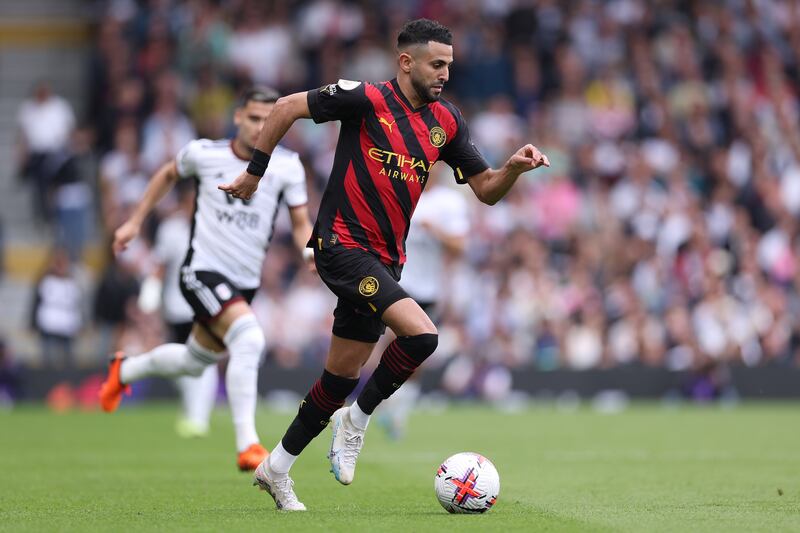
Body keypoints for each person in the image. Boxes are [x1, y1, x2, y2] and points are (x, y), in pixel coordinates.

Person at [221, 19, 549, 511]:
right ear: (406, 62)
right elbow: (287, 106)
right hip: (340, 244)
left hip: (386, 260)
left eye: (449, 66)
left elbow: (485, 190)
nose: (444, 73)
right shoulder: (366, 98)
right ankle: (358, 419)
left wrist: (513, 170)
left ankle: (277, 468)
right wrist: (254, 173)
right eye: (436, 64)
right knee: (423, 335)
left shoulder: (447, 122)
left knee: (338, 379)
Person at [99, 87, 314, 472]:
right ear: (237, 118)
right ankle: (248, 444)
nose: (260, 126)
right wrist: (134, 221)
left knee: (193, 361)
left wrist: (309, 251)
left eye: (269, 120)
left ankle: (124, 370)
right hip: (201, 271)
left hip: (244, 282)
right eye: (253, 118)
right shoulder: (205, 153)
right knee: (249, 338)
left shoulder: (287, 166)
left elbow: (301, 224)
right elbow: (166, 174)